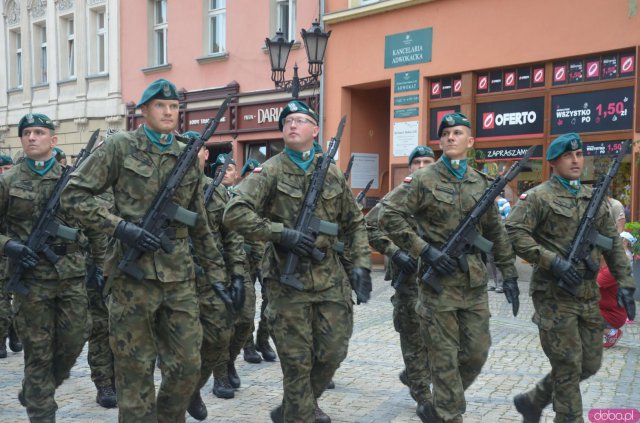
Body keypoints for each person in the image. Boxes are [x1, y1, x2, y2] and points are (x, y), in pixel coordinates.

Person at [60, 79, 231, 422]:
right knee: (135, 373)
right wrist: (120, 227)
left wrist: (217, 277)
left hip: (178, 276)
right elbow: (72, 195)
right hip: (130, 278)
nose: (168, 112)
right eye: (160, 106)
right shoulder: (120, 147)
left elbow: (199, 221)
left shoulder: (186, 153)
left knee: (186, 367)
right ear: (144, 110)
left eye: (173, 107)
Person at [224, 100, 372, 423]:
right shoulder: (270, 170)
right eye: (288, 121)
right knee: (296, 361)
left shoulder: (331, 174)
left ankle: (296, 406)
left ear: (315, 131)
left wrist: (360, 264)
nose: (293, 125)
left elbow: (355, 223)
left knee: (333, 352)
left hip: (330, 281)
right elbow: (234, 213)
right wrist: (281, 234)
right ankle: (300, 412)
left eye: (301, 120)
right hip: (286, 283)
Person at [379, 112, 519, 422]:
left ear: (470, 141)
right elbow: (387, 216)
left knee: (476, 353)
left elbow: (495, 232)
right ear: (440, 142)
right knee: (442, 357)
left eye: (457, 132)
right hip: (436, 284)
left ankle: (441, 402)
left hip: (472, 283)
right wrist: (424, 251)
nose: (450, 137)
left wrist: (508, 273)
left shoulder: (481, 183)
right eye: (445, 134)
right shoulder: (422, 179)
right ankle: (448, 412)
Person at [505, 132, 635, 423]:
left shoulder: (594, 199)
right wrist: (553, 262)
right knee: (567, 367)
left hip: (587, 294)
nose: (576, 160)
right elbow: (512, 231)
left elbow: (611, 243)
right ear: (554, 162)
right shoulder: (539, 197)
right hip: (553, 295)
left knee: (589, 362)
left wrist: (625, 282)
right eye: (568, 155)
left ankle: (533, 400)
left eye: (579, 154)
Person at [0, 113, 106, 421]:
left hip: (71, 275)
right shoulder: (8, 182)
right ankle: (42, 409)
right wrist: (10, 246)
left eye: (39, 132)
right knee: (38, 352)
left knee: (76, 338)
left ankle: (37, 388)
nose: (32, 137)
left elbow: (94, 224)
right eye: (27, 133)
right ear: (21, 139)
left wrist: (100, 266)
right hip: (31, 281)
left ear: (53, 140)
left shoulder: (73, 180)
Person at [365, 145, 434, 421]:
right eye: (416, 162)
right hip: (408, 279)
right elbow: (370, 226)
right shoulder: (398, 196)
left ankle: (414, 374)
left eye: (427, 161)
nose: (421, 166)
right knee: (414, 336)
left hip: (441, 280)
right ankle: (423, 395)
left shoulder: (445, 197)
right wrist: (394, 252)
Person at [186, 139, 245, 420]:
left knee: (219, 336)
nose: (190, 154)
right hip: (173, 279)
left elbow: (231, 235)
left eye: (196, 149)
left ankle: (194, 386)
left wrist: (238, 276)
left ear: (206, 154)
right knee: (179, 344)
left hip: (211, 278)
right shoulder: (163, 189)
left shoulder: (216, 192)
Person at [239, 158, 278, 363]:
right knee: (248, 302)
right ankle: (247, 345)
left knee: (270, 300)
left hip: (265, 255)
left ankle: (263, 339)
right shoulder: (238, 196)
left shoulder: (269, 197)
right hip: (244, 256)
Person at [0, 154, 23, 360]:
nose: (3, 173)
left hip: (18, 251)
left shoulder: (18, 190)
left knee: (16, 297)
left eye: (6, 168)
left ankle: (14, 332)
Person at [597, 231, 636, 348]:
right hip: (605, 309)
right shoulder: (601, 266)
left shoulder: (609, 271)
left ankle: (611, 332)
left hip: (612, 314)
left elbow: (588, 288)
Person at [487, 191, 511, 293]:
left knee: (497, 260)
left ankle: (501, 285)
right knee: (491, 260)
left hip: (499, 236)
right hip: (489, 236)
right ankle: (497, 283)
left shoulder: (503, 202)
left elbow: (509, 218)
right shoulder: (489, 202)